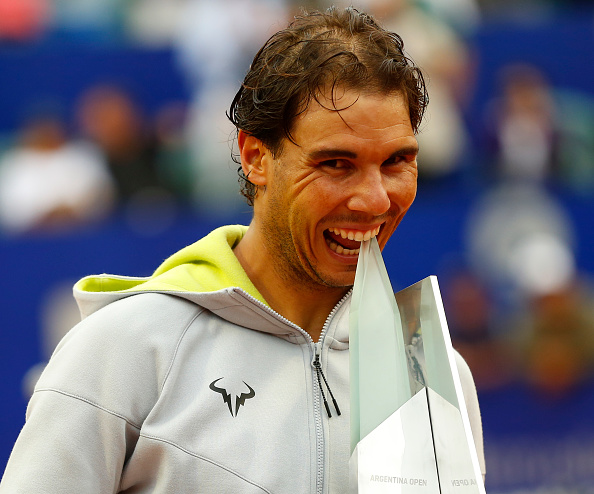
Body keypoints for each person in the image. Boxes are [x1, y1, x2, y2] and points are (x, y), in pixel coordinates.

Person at [0, 7, 485, 492]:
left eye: (397, 161)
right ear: (256, 157)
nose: (376, 198)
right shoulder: (121, 349)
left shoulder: (433, 375)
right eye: (337, 163)